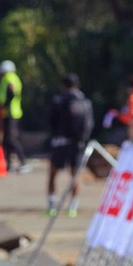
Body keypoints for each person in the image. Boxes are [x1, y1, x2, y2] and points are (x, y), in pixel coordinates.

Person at [47, 73, 94, 218]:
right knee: (75, 176)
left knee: (53, 174)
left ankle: (52, 206)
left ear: (64, 85)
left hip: (60, 143)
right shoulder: (85, 102)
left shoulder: (59, 101)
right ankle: (73, 207)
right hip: (77, 144)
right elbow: (89, 124)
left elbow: (51, 121)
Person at [0, 60, 29, 173]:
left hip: (10, 112)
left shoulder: (9, 78)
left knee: (11, 139)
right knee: (6, 140)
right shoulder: (13, 77)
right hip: (10, 112)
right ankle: (8, 164)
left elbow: (10, 92)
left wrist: (5, 106)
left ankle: (23, 162)